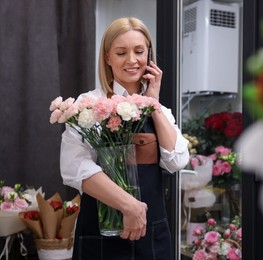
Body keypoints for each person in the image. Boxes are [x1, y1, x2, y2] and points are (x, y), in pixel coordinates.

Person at [60, 17, 190, 260]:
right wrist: (129, 206)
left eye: (139, 51)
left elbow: (177, 161)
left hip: (151, 235)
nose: (132, 60)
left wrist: (153, 104)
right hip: (100, 236)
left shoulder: (159, 110)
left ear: (149, 55)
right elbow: (74, 167)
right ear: (107, 57)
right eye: (121, 53)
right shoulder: (88, 105)